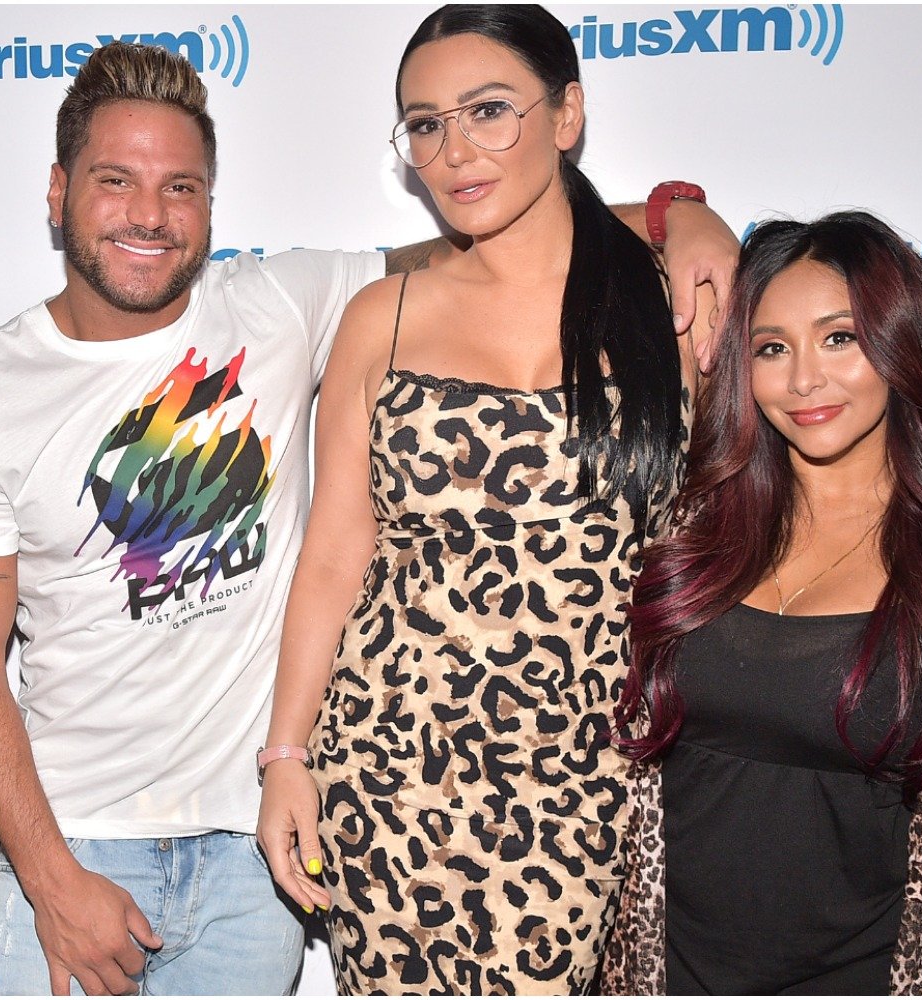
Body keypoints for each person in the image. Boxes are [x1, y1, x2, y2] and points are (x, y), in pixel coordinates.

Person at [0, 39, 741, 997]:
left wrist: (683, 216)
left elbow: (508, 236)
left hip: (253, 866)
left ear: (212, 202)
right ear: (56, 193)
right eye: (114, 180)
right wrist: (50, 881)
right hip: (78, 848)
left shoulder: (286, 304)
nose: (149, 213)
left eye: (181, 186)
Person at [256, 7, 699, 993]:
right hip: (394, 764)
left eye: (487, 111)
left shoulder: (671, 303)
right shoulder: (384, 316)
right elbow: (335, 553)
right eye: (423, 124)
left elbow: (788, 504)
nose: (453, 150)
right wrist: (286, 752)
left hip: (603, 776)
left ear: (566, 113)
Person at [598, 212, 922, 994]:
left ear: (902, 347)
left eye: (839, 338)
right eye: (771, 348)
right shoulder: (691, 528)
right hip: (661, 974)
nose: (802, 381)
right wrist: (677, 209)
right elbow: (530, 231)